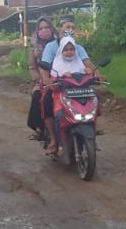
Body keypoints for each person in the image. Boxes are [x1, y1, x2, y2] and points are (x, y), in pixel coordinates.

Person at [38, 16, 98, 155]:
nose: (70, 30)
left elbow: (87, 64)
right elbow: (45, 66)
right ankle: (54, 139)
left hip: (78, 88)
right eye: (67, 27)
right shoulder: (52, 47)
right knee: (46, 101)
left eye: (72, 27)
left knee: (95, 97)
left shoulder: (78, 48)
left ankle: (92, 128)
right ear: (60, 29)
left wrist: (96, 74)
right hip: (58, 86)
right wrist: (47, 80)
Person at [26, 15, 55, 142]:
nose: (44, 30)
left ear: (52, 28)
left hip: (60, 79)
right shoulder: (34, 47)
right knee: (38, 96)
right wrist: (39, 79)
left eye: (47, 27)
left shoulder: (60, 43)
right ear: (37, 30)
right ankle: (39, 129)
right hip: (42, 81)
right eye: (41, 28)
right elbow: (32, 67)